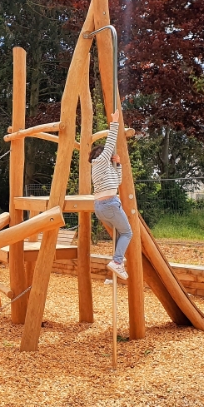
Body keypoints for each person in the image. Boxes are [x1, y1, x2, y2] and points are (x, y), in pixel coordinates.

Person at [89, 109, 132, 280]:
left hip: (101, 206)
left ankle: (118, 257)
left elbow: (118, 181)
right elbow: (109, 143)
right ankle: (117, 261)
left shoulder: (105, 169)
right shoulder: (100, 161)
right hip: (109, 204)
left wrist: (118, 165)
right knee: (128, 233)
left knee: (120, 232)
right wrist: (115, 122)